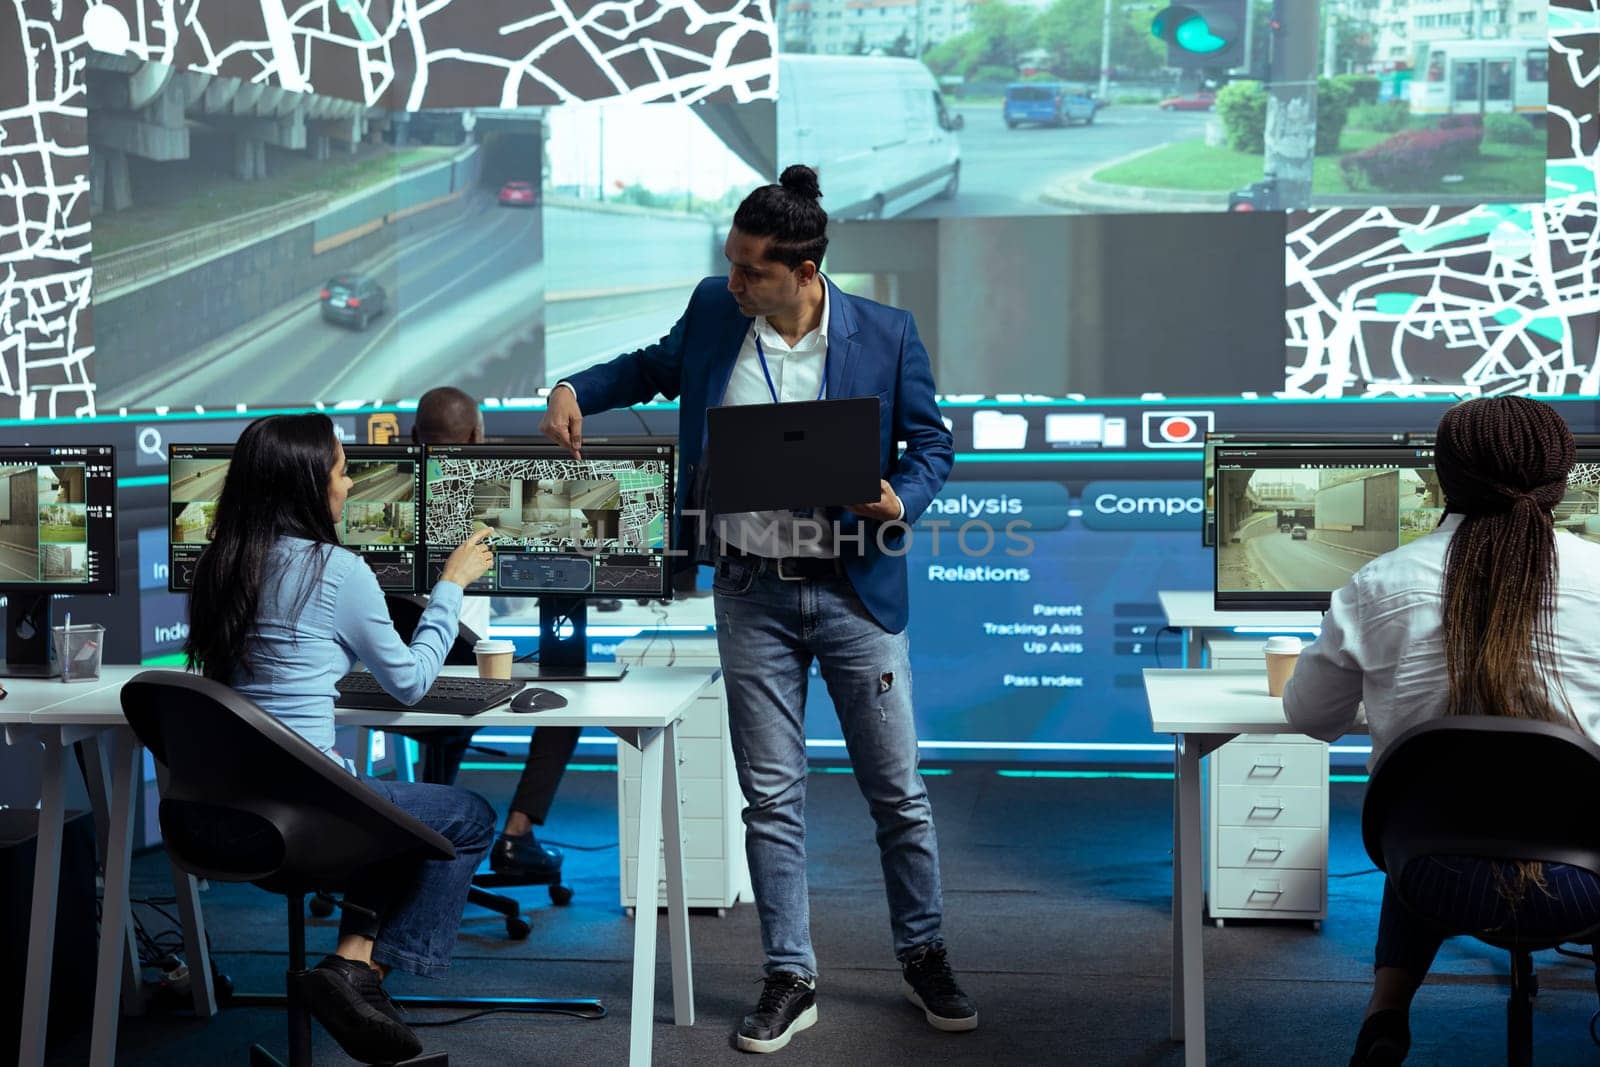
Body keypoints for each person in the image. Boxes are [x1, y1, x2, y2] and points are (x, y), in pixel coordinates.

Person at [541, 165, 972, 1053]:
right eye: (730, 265)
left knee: (898, 793)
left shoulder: (885, 334)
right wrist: (573, 388)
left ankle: (924, 952)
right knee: (770, 798)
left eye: (751, 272)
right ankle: (790, 972)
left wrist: (900, 500)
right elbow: (649, 367)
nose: (732, 282)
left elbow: (933, 444)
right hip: (749, 592)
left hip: (856, 591)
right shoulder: (713, 311)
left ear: (804, 270)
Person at [1283, 397, 1600, 1065]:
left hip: (1434, 876)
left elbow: (1309, 716)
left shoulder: (1375, 585)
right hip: (1586, 882)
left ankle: (1385, 1015)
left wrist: (1399, 713)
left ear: (1439, 477)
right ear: (1563, 478)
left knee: (1432, 818)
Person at [184, 412, 498, 1065]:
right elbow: (409, 682)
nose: (350, 485)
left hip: (223, 817)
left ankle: (350, 961)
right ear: (307, 485)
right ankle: (367, 972)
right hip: (310, 818)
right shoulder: (337, 570)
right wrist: (451, 585)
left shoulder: (216, 564)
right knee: (466, 815)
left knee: (388, 811)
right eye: (341, 470)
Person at [406, 385, 576, 881]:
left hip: (383, 675)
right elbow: (515, 599)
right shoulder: (494, 494)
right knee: (562, 696)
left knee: (442, 710)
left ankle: (423, 834)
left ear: (414, 435)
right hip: (463, 675)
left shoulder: (382, 491)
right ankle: (516, 836)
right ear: (479, 436)